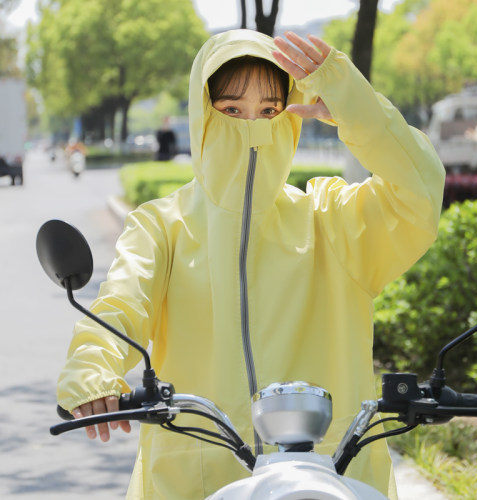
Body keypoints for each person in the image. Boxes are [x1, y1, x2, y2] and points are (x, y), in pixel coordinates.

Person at [57, 29, 445, 499]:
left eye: (269, 110)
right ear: (203, 113)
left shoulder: (330, 219)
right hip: (198, 476)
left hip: (330, 476)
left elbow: (420, 191)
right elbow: (119, 305)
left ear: (290, 114)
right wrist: (92, 370)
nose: (252, 125)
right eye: (231, 109)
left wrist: (351, 104)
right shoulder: (162, 226)